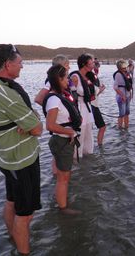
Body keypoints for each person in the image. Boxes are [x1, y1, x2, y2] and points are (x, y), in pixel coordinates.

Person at [0, 44, 43, 254]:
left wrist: (28, 120)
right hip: (21, 160)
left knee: (11, 201)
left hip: (7, 158)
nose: (22, 67)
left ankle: (14, 239)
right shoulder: (4, 92)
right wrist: (33, 120)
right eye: (20, 63)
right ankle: (23, 250)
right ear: (8, 64)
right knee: (25, 213)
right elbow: (37, 129)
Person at [43, 64, 82, 215]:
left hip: (63, 141)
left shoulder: (59, 96)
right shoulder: (54, 99)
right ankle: (63, 209)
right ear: (58, 79)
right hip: (62, 141)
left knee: (63, 176)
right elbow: (50, 125)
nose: (68, 80)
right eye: (65, 77)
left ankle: (61, 200)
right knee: (63, 178)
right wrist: (70, 132)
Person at [69, 53, 94, 157]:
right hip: (79, 108)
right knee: (80, 134)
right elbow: (69, 95)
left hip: (88, 108)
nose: (93, 64)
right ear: (84, 64)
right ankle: (77, 159)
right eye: (91, 62)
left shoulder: (88, 76)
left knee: (89, 134)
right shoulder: (75, 77)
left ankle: (89, 156)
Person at [86, 69, 107, 146]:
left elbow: (94, 95)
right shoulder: (87, 81)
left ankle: (100, 145)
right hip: (90, 107)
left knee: (102, 127)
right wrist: (100, 90)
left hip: (94, 106)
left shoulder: (94, 80)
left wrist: (100, 90)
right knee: (88, 129)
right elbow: (90, 96)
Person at [113, 59, 133, 129]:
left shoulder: (127, 73)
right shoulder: (118, 74)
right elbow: (115, 87)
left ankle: (126, 127)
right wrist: (122, 96)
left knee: (127, 113)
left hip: (127, 96)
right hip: (121, 97)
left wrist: (130, 95)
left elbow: (129, 85)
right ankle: (120, 128)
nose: (125, 67)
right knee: (122, 113)